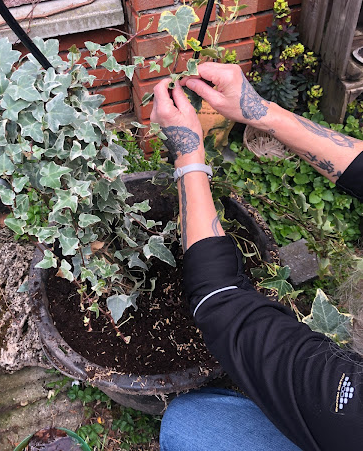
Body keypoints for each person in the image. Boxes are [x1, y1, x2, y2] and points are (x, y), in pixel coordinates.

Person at [150, 63, 363, 451]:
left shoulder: (352, 410)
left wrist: (187, 153)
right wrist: (257, 109)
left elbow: (221, 301)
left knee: (189, 426)